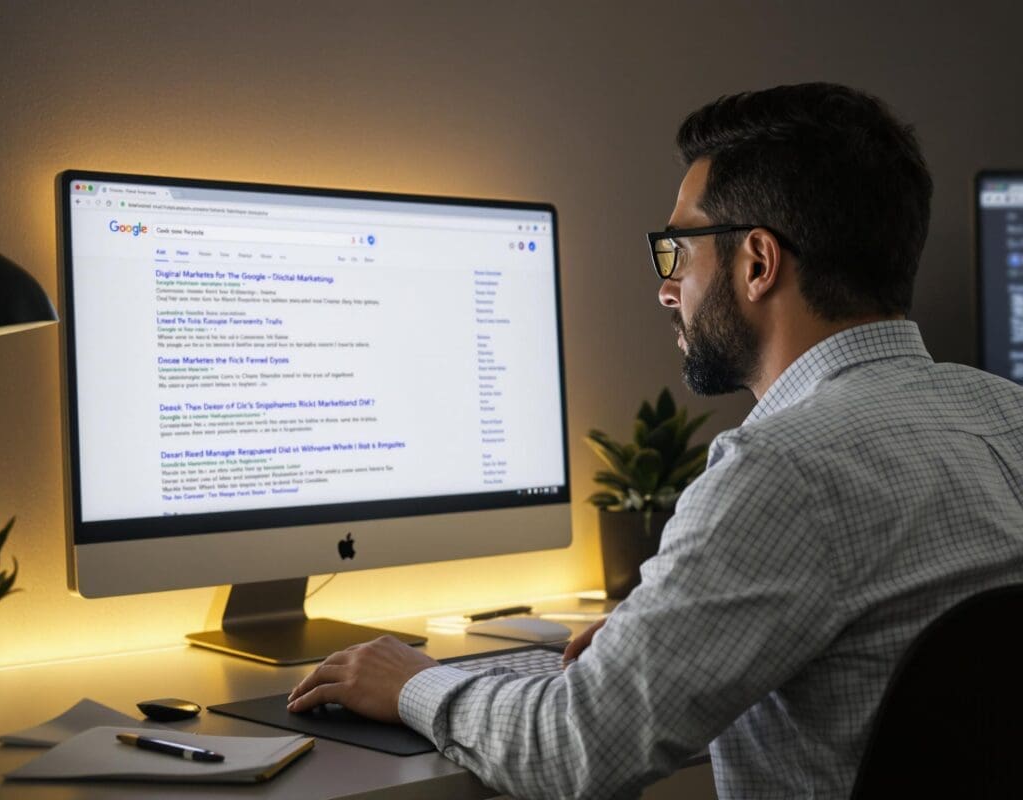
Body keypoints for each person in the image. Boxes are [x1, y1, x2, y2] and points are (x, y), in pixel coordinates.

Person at [287, 83, 1023, 799]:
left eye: (677, 250)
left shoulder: (781, 471)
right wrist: (673, 624)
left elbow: (574, 754)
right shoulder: (1008, 414)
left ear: (757, 263)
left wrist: (413, 682)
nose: (666, 289)